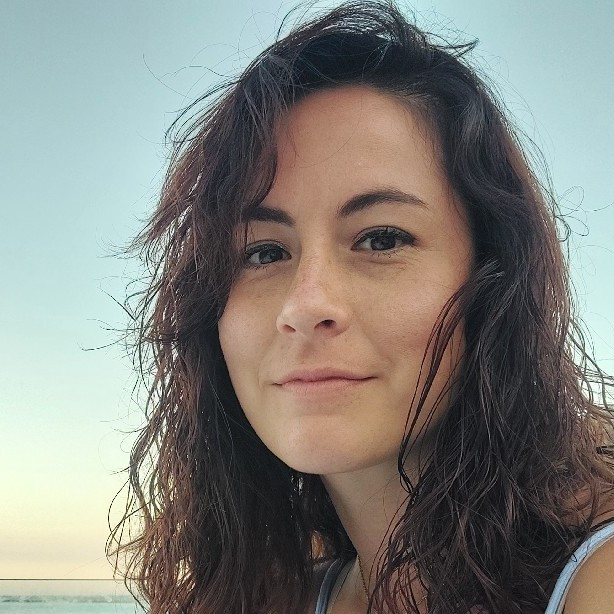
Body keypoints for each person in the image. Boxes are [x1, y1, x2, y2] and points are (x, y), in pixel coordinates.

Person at [107, 1, 614, 612]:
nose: (306, 304)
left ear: (495, 278)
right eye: (264, 252)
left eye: (381, 239)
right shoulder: (266, 596)